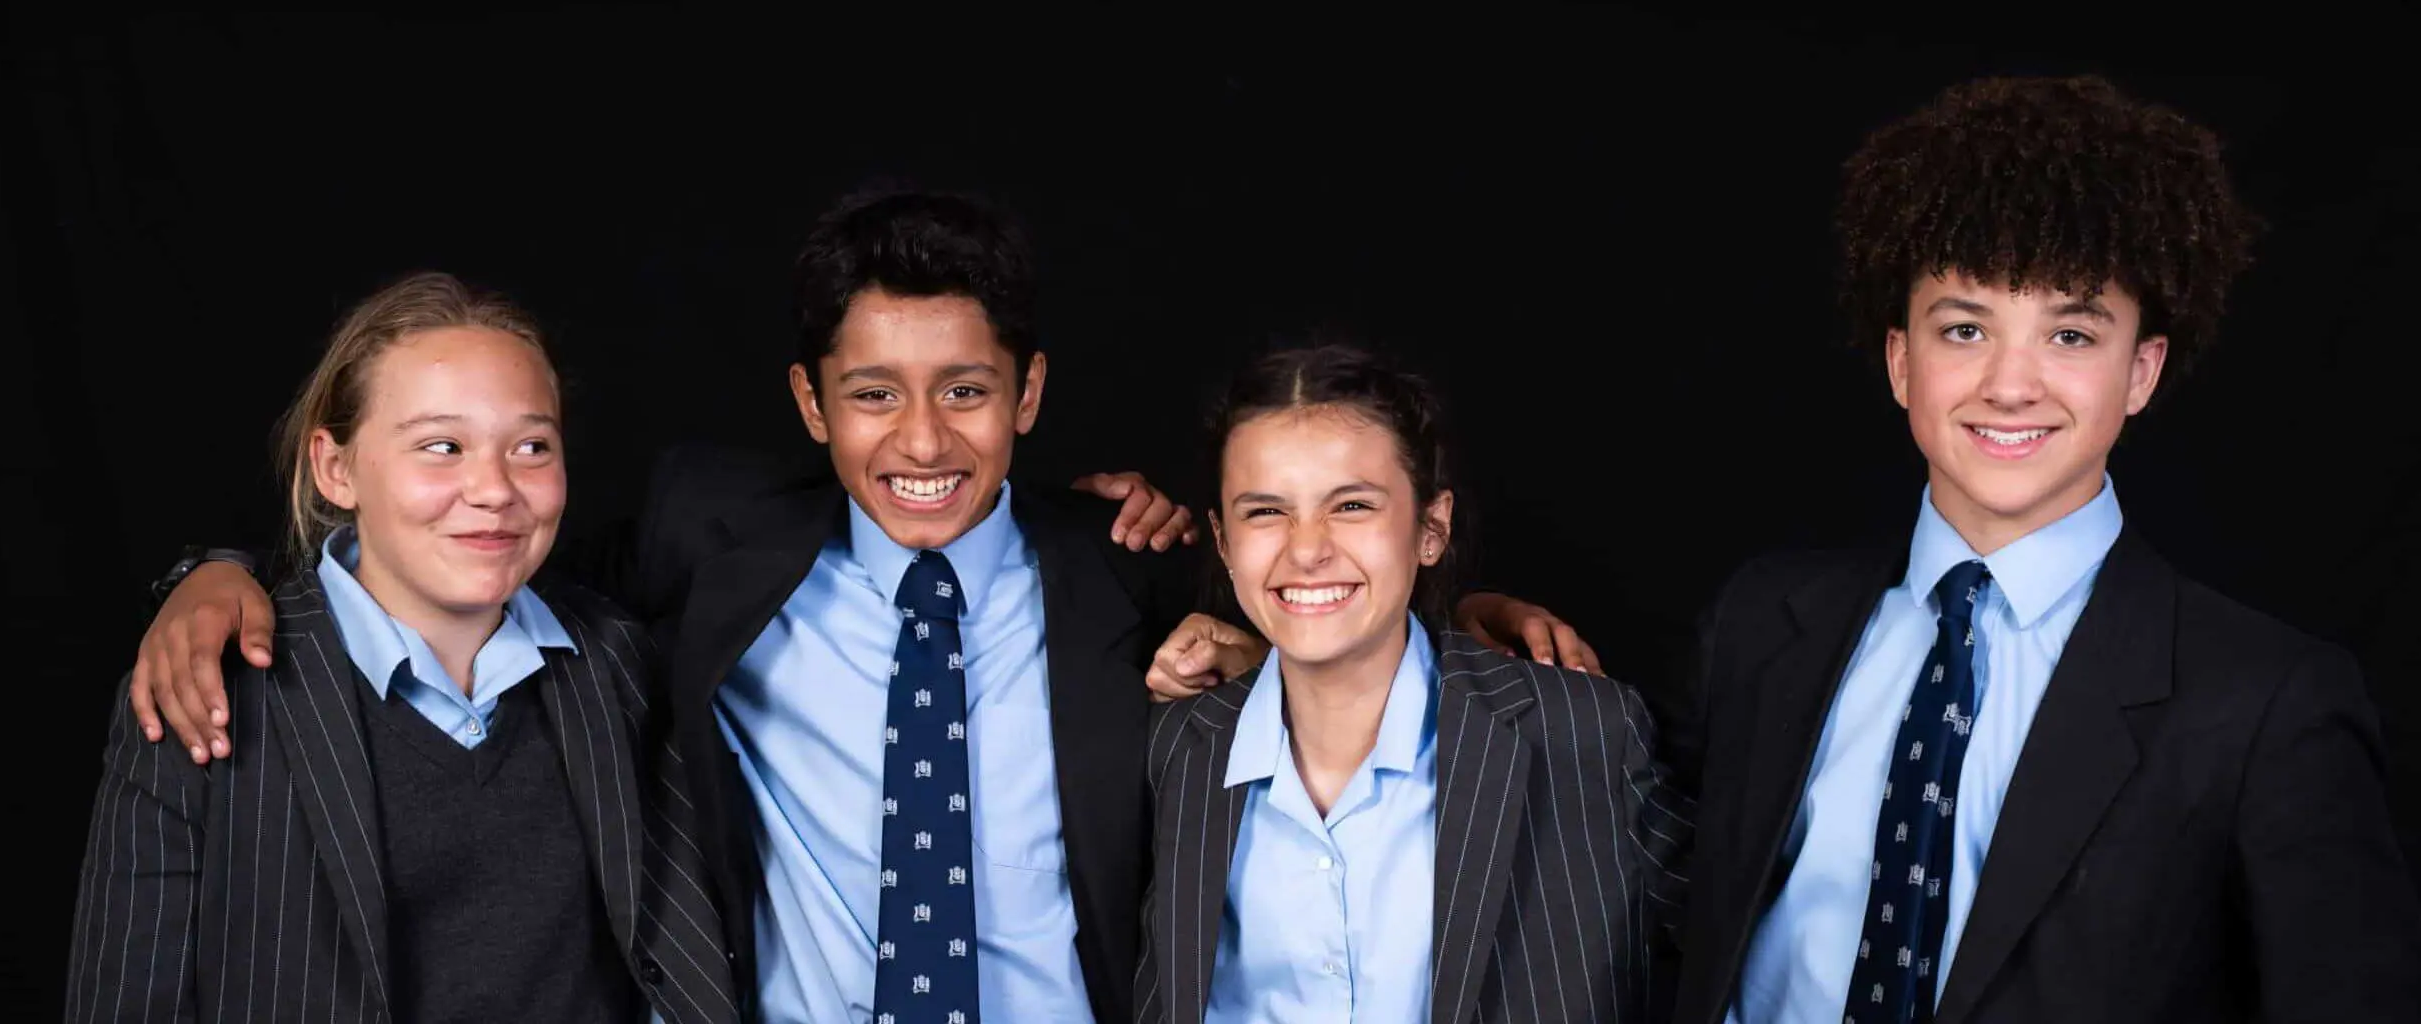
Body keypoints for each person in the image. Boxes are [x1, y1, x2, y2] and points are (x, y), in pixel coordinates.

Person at [121, 188, 1590, 1022]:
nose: (924, 443)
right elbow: (461, 558)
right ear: (809, 408)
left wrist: (1473, 610)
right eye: (873, 396)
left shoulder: (1129, 570)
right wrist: (221, 575)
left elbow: (1327, 592)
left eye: (966, 391)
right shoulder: (709, 548)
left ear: (1030, 395)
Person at [1668, 76, 2421, 1023]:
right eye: (1965, 329)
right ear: (1901, 361)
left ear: (2141, 372)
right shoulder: (1761, 624)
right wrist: (1490, 645)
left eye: (2070, 333)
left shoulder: (2265, 704)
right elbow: (1611, 883)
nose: (2011, 385)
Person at [65, 272, 737, 1022]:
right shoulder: (210, 694)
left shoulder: (616, 664)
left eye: (531, 445)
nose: (493, 488)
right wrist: (206, 573)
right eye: (441, 446)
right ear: (336, 468)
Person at [1136, 341, 1690, 1024]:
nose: (1307, 549)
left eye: (1352, 506)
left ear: (1431, 527)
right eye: (1266, 511)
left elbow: (1743, 953)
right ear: (1223, 543)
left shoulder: (1583, 737)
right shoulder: (1173, 753)